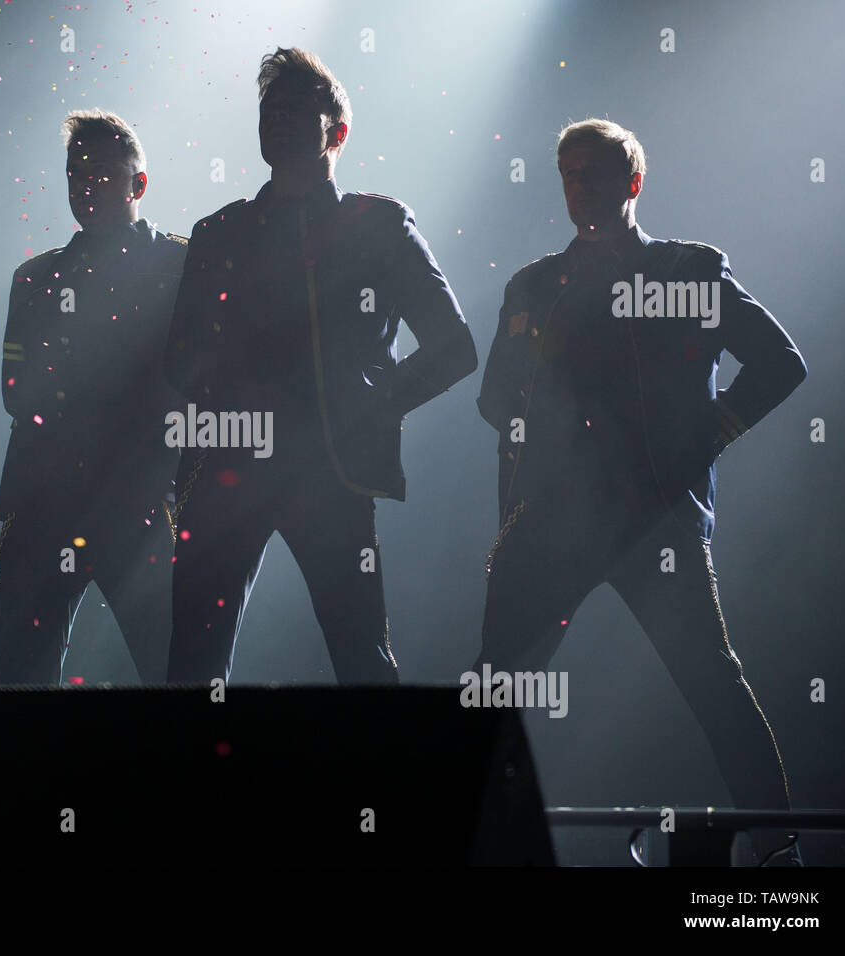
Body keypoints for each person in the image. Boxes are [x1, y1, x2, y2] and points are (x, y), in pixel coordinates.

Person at [476, 118, 806, 865]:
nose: (578, 186)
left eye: (593, 171)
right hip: (551, 519)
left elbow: (782, 362)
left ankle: (781, 858)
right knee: (495, 686)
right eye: (567, 172)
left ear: (634, 181)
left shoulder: (687, 273)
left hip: (654, 518)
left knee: (711, 682)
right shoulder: (532, 286)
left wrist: (704, 438)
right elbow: (494, 399)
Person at [164, 47, 477, 685]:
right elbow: (179, 359)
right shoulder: (217, 232)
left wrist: (374, 403)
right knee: (193, 667)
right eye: (267, 110)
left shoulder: (380, 224)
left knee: (361, 656)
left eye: (294, 109)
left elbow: (455, 347)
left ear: (336, 129)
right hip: (227, 471)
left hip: (332, 471)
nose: (275, 120)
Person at [0, 109, 185, 685]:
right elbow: (14, 392)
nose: (86, 185)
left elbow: (206, 381)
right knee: (23, 680)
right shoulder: (34, 277)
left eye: (102, 171)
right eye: (76, 174)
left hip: (142, 502)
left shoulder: (184, 266)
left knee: (175, 669)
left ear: (138, 183)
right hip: (45, 504)